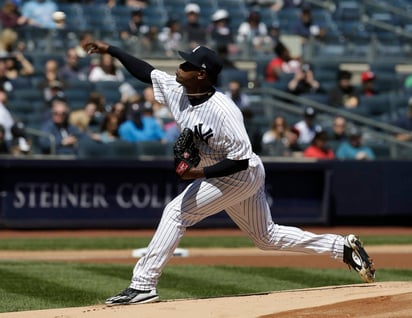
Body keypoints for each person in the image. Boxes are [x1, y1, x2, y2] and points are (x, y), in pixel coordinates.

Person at [84, 40, 375, 305]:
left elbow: (241, 160)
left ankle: (143, 285)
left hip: (238, 174)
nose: (180, 66)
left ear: (201, 74)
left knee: (176, 212)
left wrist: (197, 173)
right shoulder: (178, 91)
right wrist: (111, 50)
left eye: (188, 64)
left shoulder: (224, 111)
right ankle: (341, 247)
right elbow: (145, 72)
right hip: (231, 172)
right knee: (266, 238)